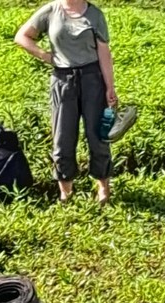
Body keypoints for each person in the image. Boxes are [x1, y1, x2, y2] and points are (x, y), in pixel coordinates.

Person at [14, 0, 117, 205]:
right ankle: (66, 194)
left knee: (98, 137)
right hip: (63, 80)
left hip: (92, 78)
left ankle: (103, 190)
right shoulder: (50, 11)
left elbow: (104, 52)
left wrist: (110, 87)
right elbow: (22, 36)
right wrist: (45, 56)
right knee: (63, 138)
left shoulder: (94, 14)